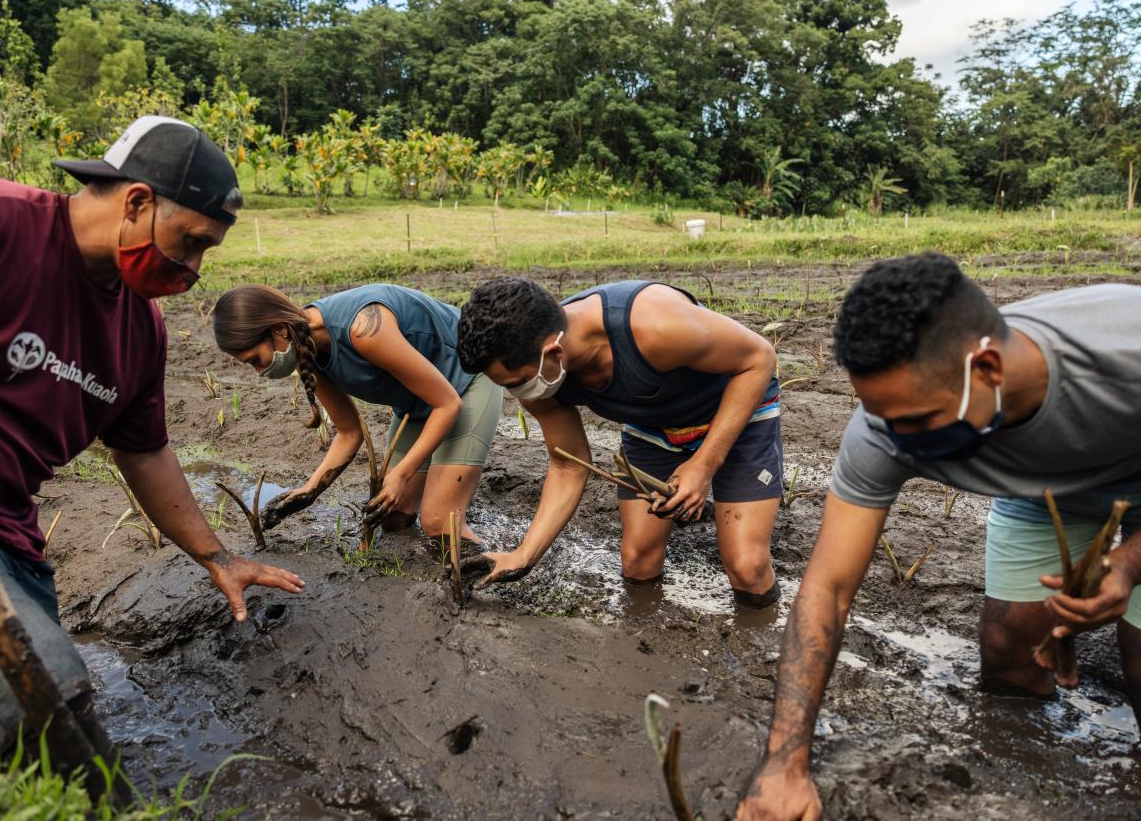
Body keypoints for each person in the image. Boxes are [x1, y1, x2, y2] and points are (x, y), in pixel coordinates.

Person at [0, 116, 304, 757]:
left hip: (4, 542)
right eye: (190, 242)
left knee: (45, 724)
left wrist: (218, 559)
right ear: (137, 201)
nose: (194, 269)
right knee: (40, 706)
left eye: (207, 253)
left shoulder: (140, 331)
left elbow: (143, 449)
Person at [737, 253, 1141, 820]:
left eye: (920, 420)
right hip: (1047, 492)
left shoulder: (1125, 357)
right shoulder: (884, 428)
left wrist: (1124, 565)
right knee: (1007, 648)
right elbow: (827, 587)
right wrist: (784, 764)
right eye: (883, 417)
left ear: (989, 370)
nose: (898, 439)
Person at [456, 278, 783, 606]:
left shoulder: (655, 324)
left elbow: (759, 359)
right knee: (638, 560)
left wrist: (704, 464)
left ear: (553, 352)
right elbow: (568, 463)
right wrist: (524, 555)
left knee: (747, 567)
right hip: (654, 425)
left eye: (517, 383)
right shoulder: (539, 378)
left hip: (736, 412)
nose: (518, 394)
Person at [212, 283, 503, 543]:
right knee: (392, 518)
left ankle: (485, 582)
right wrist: (308, 492)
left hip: (466, 381)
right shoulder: (306, 348)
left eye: (256, 360)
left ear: (279, 329)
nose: (260, 372)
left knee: (440, 525)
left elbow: (447, 404)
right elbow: (349, 431)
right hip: (418, 403)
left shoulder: (365, 330)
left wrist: (401, 474)